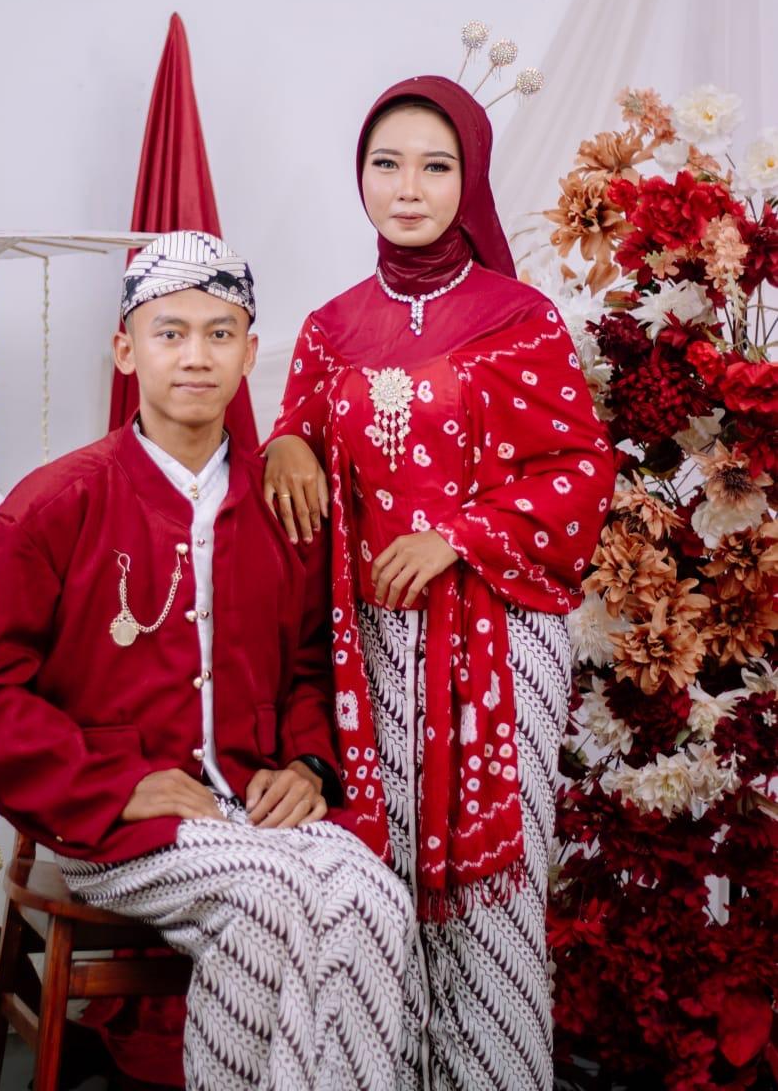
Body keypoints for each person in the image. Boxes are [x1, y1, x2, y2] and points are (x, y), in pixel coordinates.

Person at [0, 230, 415, 1091]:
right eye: (170, 333)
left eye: (219, 333)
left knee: (376, 896)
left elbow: (311, 666)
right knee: (268, 906)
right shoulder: (54, 505)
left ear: (248, 353)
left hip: (253, 802)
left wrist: (308, 765)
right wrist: (112, 784)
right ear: (127, 351)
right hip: (109, 821)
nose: (196, 356)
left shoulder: (281, 504)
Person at [264, 79, 615, 1091]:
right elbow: (300, 433)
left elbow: (579, 469)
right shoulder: (330, 328)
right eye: (386, 165)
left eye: (434, 165)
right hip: (370, 645)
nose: (406, 188)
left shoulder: (518, 318)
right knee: (382, 878)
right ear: (360, 177)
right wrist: (286, 440)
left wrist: (458, 536)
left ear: (471, 178)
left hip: (499, 636)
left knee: (491, 896)